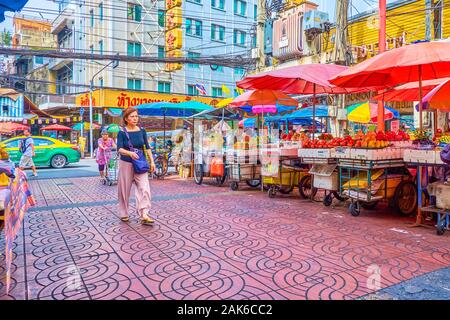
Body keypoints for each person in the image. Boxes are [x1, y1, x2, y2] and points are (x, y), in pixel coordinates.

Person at [116, 108, 156, 225]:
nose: (135, 118)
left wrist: (152, 161)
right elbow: (119, 148)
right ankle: (124, 212)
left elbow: (147, 147)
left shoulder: (142, 130)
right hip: (126, 163)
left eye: (136, 116)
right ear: (126, 118)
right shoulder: (122, 132)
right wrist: (129, 153)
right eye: (132, 116)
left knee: (144, 188)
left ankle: (144, 213)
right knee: (124, 189)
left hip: (140, 163)